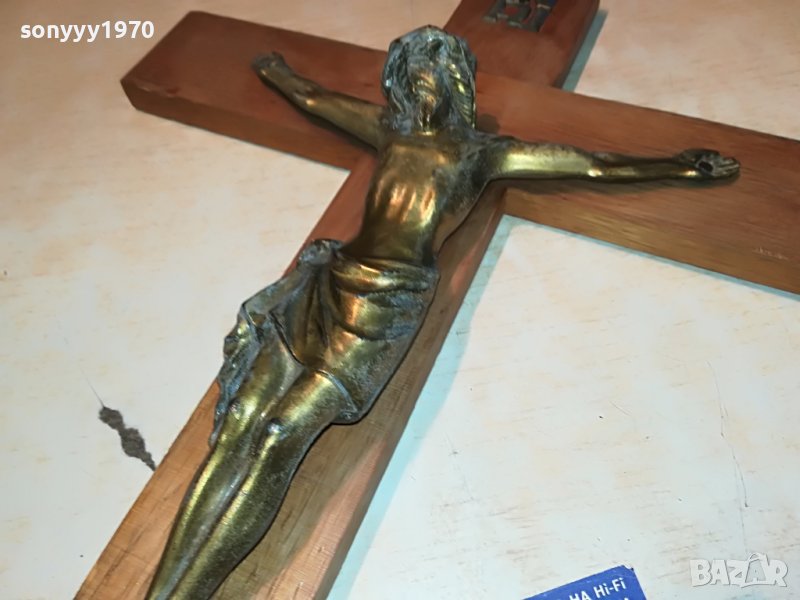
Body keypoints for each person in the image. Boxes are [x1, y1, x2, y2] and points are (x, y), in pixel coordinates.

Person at [147, 26, 739, 599]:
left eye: (432, 77)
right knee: (238, 423)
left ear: (456, 84)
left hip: (383, 309)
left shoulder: (482, 153)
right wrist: (273, 69)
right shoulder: (390, 130)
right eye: (411, 78)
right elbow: (313, 98)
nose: (421, 88)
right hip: (328, 285)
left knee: (280, 434)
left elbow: (590, 164)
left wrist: (678, 165)